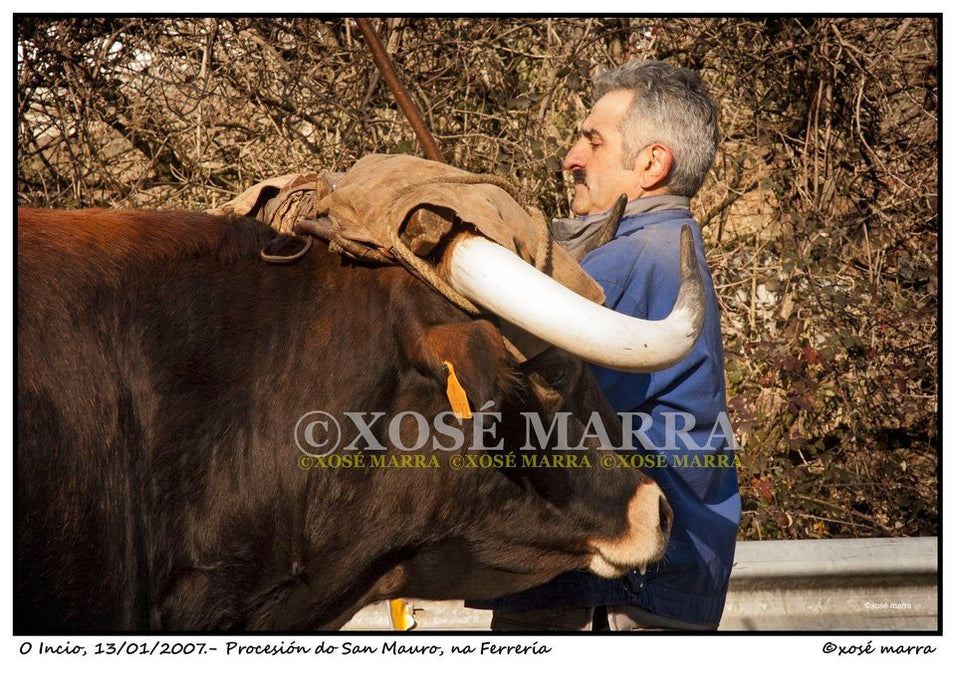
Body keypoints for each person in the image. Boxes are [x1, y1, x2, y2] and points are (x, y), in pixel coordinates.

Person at [469, 59, 740, 631]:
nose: (571, 158)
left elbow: (512, 396)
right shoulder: (663, 245)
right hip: (646, 585)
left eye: (593, 142)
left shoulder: (629, 260)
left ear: (651, 163)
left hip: (608, 591)